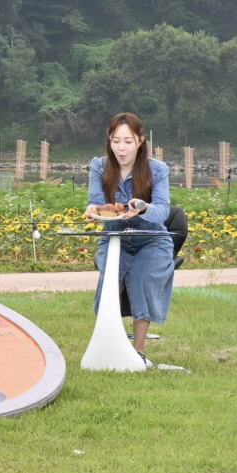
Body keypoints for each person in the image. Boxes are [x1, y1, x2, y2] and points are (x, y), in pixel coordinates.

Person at [85, 112, 175, 360]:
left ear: (140, 141)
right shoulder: (99, 166)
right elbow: (95, 202)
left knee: (142, 276)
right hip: (114, 237)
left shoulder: (157, 169)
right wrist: (93, 212)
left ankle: (138, 351)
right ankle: (108, 345)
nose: (121, 148)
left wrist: (141, 208)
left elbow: (163, 211)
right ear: (109, 140)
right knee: (110, 281)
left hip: (152, 238)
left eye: (128, 141)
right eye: (116, 141)